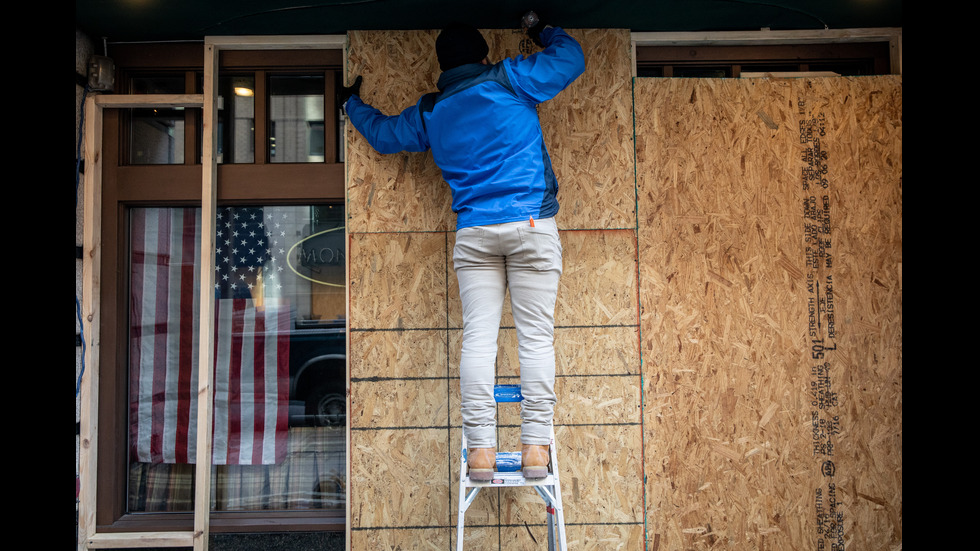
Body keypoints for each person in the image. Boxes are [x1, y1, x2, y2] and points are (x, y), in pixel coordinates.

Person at [342, 15, 584, 480]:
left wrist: (352, 104)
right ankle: (535, 449)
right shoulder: (508, 78)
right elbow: (571, 59)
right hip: (530, 223)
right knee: (535, 339)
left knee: (478, 340)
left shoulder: (432, 111)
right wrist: (541, 31)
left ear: (443, 67)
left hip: (475, 233)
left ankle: (480, 454)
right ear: (483, 56)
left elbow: (385, 134)